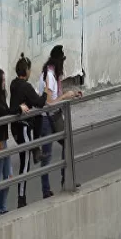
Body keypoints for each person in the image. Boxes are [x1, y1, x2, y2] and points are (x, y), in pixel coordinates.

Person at [38, 45, 82, 198]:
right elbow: (49, 102)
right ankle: (46, 189)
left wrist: (72, 95)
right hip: (47, 117)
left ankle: (67, 178)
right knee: (47, 155)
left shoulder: (53, 74)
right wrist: (64, 97)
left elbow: (57, 95)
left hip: (54, 115)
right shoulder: (49, 75)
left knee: (66, 143)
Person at [0, 67, 29, 216]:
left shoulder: (1, 95)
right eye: (2, 80)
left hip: (4, 140)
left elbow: (7, 110)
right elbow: (4, 112)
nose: (4, 82)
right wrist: (19, 109)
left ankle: (3, 207)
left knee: (9, 176)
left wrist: (17, 109)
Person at [9, 53, 48, 208]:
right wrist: (45, 92)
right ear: (26, 71)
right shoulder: (26, 86)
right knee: (25, 164)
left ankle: (35, 148)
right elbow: (39, 103)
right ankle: (21, 198)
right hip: (23, 127)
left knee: (24, 161)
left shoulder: (13, 84)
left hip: (16, 128)